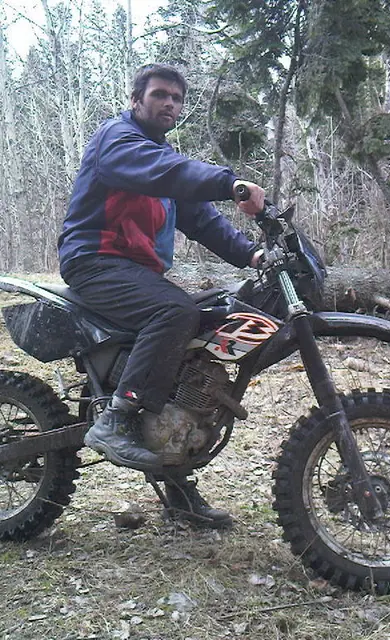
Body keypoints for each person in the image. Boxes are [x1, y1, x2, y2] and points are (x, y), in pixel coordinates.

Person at [58, 63, 265, 530]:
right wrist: (229, 183)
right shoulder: (119, 141)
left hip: (132, 271)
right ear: (136, 100)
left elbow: (202, 219)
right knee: (175, 311)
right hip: (94, 260)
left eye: (176, 98)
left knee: (193, 338)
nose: (169, 103)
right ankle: (117, 419)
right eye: (159, 94)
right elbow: (166, 173)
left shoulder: (165, 163)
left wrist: (252, 254)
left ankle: (176, 483)